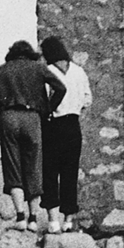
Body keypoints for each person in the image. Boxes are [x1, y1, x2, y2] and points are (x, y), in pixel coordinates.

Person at [0, 40, 65, 231]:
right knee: (33, 166)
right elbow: (60, 88)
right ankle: (34, 219)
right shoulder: (38, 68)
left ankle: (20, 216)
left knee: (13, 167)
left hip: (8, 116)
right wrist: (47, 109)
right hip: (32, 117)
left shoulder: (3, 69)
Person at [40, 36, 91, 232]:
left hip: (53, 125)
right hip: (73, 125)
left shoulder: (48, 72)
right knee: (70, 173)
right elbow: (88, 100)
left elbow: (44, 99)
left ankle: (53, 221)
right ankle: (69, 220)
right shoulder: (79, 71)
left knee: (50, 172)